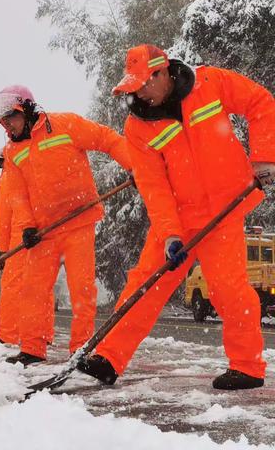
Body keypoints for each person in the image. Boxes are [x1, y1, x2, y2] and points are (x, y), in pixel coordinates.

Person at [77, 44, 275, 390]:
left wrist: (264, 157)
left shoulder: (210, 82)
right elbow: (153, 184)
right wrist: (170, 233)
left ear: (162, 72)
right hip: (178, 217)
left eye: (144, 83)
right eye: (133, 87)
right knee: (145, 285)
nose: (139, 93)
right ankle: (107, 357)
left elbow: (260, 103)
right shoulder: (137, 125)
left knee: (230, 290)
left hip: (223, 210)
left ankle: (247, 367)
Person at [0, 85, 131, 365]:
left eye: (10, 120)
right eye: (3, 123)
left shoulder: (65, 125)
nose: (7, 128)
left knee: (82, 290)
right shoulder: (12, 152)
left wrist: (135, 166)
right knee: (34, 291)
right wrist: (27, 226)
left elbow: (108, 139)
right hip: (43, 232)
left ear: (25, 110)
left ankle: (80, 349)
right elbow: (17, 196)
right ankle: (32, 348)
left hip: (78, 222)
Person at [0, 148, 55, 345]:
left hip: (22, 236)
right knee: (41, 285)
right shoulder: (32, 172)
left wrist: (3, 250)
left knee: (13, 285)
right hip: (38, 233)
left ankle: (8, 334)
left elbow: (4, 216)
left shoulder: (10, 178)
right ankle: (43, 334)